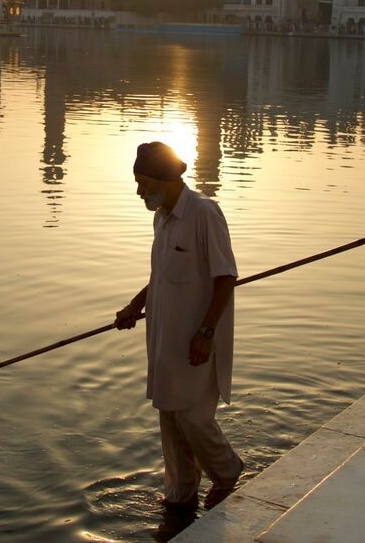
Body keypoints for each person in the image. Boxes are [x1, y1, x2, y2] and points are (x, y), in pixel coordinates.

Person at [115, 142, 244, 511]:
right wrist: (133, 306)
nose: (139, 191)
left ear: (165, 180)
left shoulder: (205, 214)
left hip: (196, 340)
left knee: (193, 417)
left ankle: (227, 471)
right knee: (170, 417)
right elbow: (161, 275)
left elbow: (225, 278)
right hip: (164, 337)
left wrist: (206, 333)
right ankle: (180, 492)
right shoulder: (163, 217)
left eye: (143, 182)